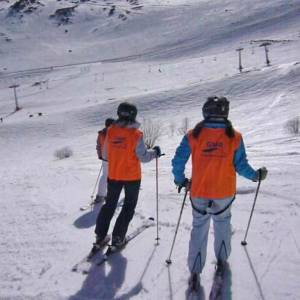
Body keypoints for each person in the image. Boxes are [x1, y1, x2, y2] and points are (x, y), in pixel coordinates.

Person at [171, 96, 268, 288]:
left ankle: (195, 271)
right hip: (224, 193)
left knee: (199, 229)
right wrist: (255, 176)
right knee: (222, 225)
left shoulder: (193, 135)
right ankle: (222, 261)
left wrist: (180, 180)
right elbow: (241, 165)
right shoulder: (235, 136)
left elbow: (177, 161)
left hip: (199, 192)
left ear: (206, 111)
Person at [93, 102, 161, 249]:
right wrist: (155, 153)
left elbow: (105, 154)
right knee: (128, 206)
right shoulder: (136, 135)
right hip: (131, 177)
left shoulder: (110, 131)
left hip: (114, 175)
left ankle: (100, 235)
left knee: (109, 205)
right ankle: (117, 238)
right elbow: (143, 157)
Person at [94, 117, 115, 204]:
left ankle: (100, 196)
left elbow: (98, 145)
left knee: (105, 177)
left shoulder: (101, 133)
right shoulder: (113, 133)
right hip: (113, 159)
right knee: (116, 177)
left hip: (105, 159)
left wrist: (100, 155)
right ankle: (110, 196)